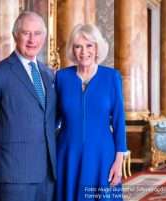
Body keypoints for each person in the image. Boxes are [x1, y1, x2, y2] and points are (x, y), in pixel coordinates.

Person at [0, 11, 57, 201]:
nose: (32, 39)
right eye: (26, 33)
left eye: (37, 33)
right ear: (15, 35)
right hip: (13, 174)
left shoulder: (49, 75)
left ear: (44, 38)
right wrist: (4, 153)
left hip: (47, 174)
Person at [55, 24, 127, 201]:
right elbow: (52, 119)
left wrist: (119, 161)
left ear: (97, 48)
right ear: (72, 50)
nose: (84, 52)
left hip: (102, 155)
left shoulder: (111, 77)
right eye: (78, 46)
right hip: (67, 154)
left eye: (89, 46)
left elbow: (119, 120)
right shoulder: (61, 77)